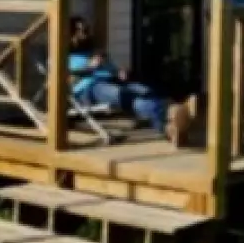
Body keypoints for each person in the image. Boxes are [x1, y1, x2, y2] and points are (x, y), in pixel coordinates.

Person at [68, 16, 190, 147]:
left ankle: (171, 123)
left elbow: (112, 69)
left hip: (112, 80)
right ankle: (176, 115)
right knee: (125, 95)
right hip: (90, 88)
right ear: (70, 35)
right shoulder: (64, 56)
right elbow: (68, 78)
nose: (85, 34)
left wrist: (119, 72)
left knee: (145, 91)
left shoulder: (95, 53)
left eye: (86, 30)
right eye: (80, 31)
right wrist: (90, 67)